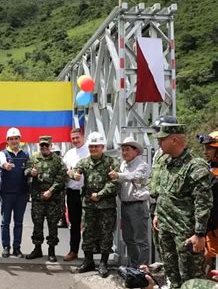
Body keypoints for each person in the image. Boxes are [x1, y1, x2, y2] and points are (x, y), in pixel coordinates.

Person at [152, 124, 212, 288]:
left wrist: (199, 234)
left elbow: (203, 202)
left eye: (162, 139)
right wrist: (158, 212)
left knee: (191, 278)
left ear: (174, 140)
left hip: (185, 233)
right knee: (172, 275)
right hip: (166, 228)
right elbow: (164, 191)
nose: (159, 143)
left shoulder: (195, 166)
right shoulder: (166, 162)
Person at [73, 131, 119, 278]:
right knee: (87, 233)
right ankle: (88, 261)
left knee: (106, 233)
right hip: (89, 206)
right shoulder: (85, 162)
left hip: (106, 205)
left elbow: (114, 183)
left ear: (102, 147)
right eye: (91, 146)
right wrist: (74, 174)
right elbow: (74, 171)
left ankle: (103, 263)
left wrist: (100, 194)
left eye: (96, 146)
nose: (93, 149)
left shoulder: (111, 162)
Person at [109, 136, 151, 268]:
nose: (124, 153)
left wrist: (118, 175)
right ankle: (134, 265)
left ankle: (142, 268)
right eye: (122, 150)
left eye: (127, 149)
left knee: (141, 239)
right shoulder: (123, 165)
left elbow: (135, 176)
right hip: (125, 205)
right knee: (128, 238)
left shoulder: (142, 165)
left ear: (136, 151)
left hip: (137, 205)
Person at [25, 136, 67, 262]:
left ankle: (51, 251)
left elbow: (62, 178)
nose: (44, 148)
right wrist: (30, 172)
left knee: (52, 225)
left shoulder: (57, 160)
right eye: (42, 146)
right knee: (37, 224)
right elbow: (25, 171)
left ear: (51, 145)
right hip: (38, 198)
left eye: (46, 145)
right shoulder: (34, 158)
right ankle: (37, 249)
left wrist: (51, 190)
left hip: (53, 199)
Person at [149, 115, 178, 264]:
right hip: (156, 203)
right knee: (160, 244)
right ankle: (168, 277)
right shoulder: (158, 154)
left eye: (160, 130)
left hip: (170, 206)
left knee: (172, 247)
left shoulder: (175, 154)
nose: (157, 134)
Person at [0, 127, 29, 258]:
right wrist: (5, 165)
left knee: (19, 222)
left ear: (19, 140)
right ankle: (6, 247)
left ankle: (17, 248)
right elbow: (2, 163)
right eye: (11, 139)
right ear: (7, 141)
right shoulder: (2, 153)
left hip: (21, 194)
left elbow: (29, 170)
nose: (14, 141)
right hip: (7, 194)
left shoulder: (25, 155)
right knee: (5, 222)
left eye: (16, 138)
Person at [63, 128, 89, 262]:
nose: (75, 140)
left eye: (77, 137)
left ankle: (89, 254)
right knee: (74, 223)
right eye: (73, 138)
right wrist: (70, 173)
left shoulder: (90, 151)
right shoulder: (69, 153)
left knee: (89, 224)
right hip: (73, 192)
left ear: (83, 137)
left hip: (87, 193)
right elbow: (65, 170)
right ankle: (73, 251)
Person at [197, 131, 218, 271]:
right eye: (205, 148)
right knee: (207, 256)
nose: (206, 151)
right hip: (209, 224)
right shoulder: (207, 168)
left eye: (209, 148)